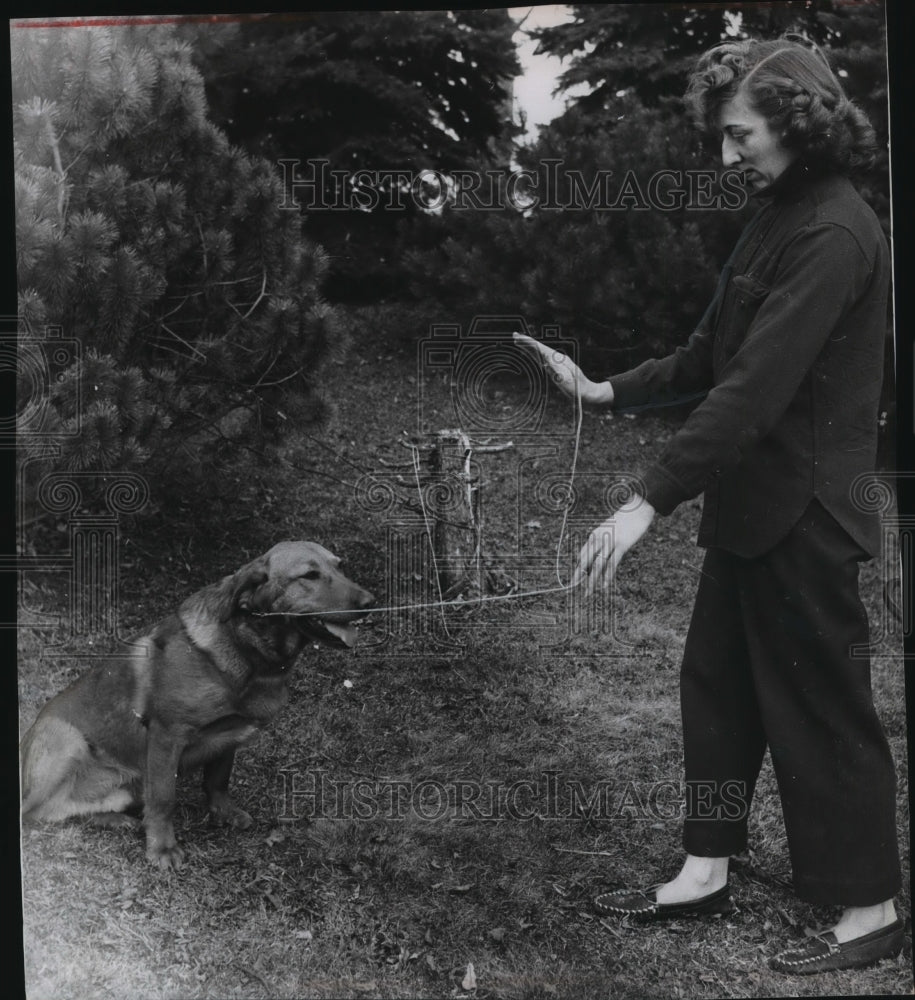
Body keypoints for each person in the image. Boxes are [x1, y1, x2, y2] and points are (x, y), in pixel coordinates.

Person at [514, 36, 903, 975]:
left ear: (797, 123)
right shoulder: (777, 211)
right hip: (751, 504)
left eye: (740, 135)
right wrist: (604, 389)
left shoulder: (836, 232)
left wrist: (646, 502)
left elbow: (754, 389)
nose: (725, 157)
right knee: (717, 689)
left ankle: (870, 908)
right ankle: (705, 868)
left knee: (818, 708)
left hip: (808, 512)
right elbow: (708, 354)